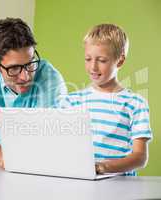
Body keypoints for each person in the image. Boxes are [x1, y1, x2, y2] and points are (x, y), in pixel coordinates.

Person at [0, 18, 68, 167]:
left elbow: (47, 141)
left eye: (30, 63)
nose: (26, 77)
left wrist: (11, 155)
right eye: (14, 68)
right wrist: (3, 156)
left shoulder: (50, 79)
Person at [60, 24, 152, 175]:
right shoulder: (72, 101)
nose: (93, 67)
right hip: (83, 181)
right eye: (88, 59)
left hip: (121, 185)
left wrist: (102, 167)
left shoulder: (135, 104)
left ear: (120, 61)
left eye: (102, 60)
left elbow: (140, 157)